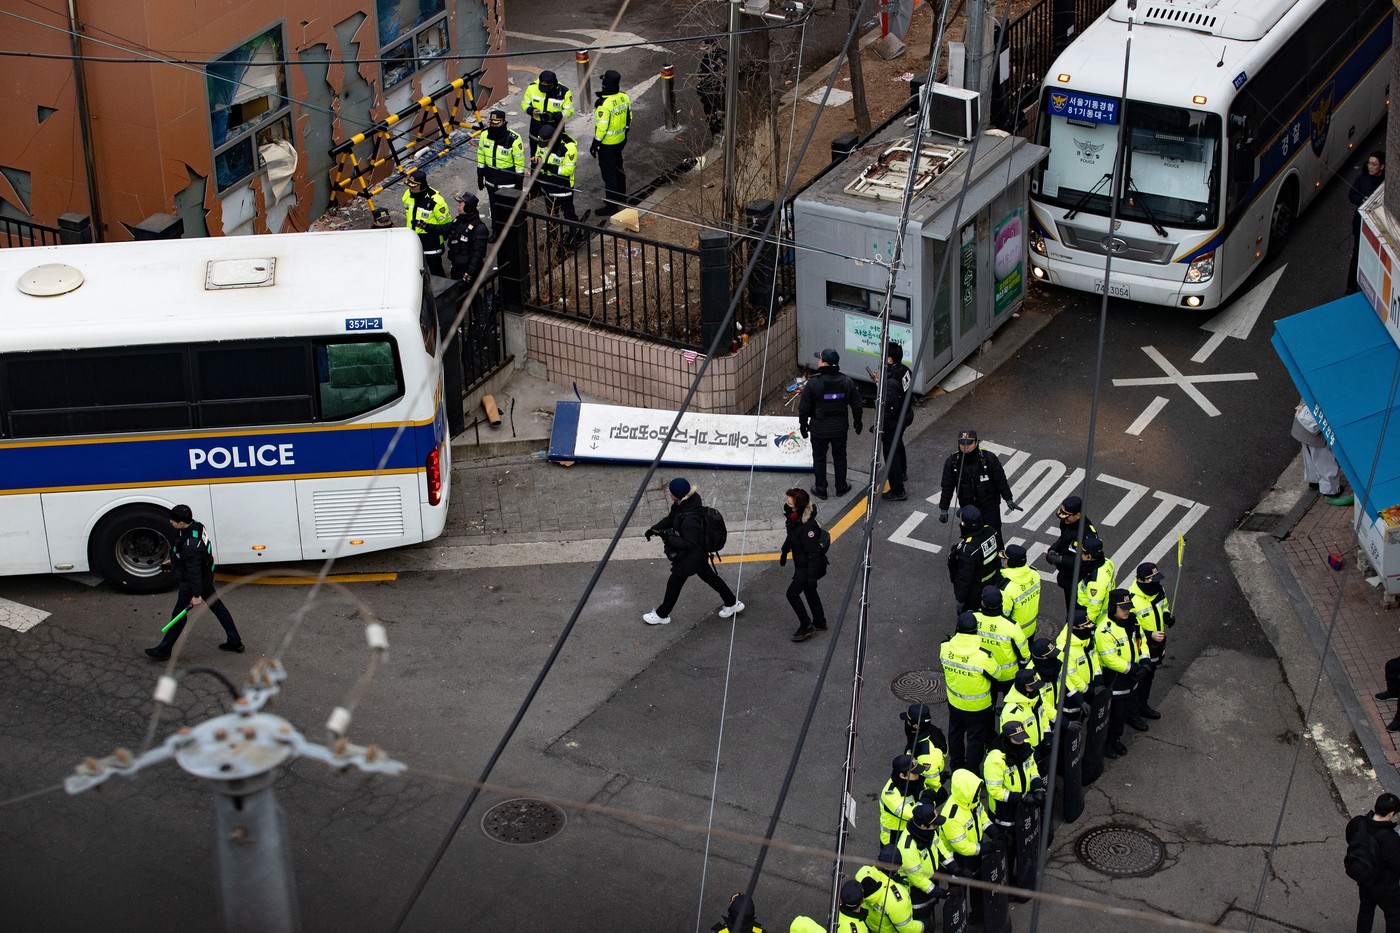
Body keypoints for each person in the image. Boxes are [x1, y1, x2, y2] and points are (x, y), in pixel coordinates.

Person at [146, 504, 243, 660]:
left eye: (174, 521)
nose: (171, 522)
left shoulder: (191, 546)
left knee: (178, 615)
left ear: (182, 523)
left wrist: (196, 594)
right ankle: (235, 641)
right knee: (219, 608)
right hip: (205, 577)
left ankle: (164, 650)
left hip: (192, 583)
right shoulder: (197, 526)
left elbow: (194, 571)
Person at [643, 478, 743, 625]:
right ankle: (732, 602)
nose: (669, 493)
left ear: (678, 494)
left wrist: (667, 536)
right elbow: (671, 519)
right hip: (698, 553)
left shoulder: (690, 517)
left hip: (692, 556)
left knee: (675, 582)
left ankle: (661, 614)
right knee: (709, 577)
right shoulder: (683, 504)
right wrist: (655, 528)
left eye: (671, 491)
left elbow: (689, 542)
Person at [797, 349, 863, 500]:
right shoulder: (847, 382)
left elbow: (804, 408)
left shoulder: (814, 383)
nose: (818, 361)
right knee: (840, 456)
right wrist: (857, 422)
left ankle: (821, 488)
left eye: (819, 359)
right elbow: (857, 405)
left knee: (819, 458)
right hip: (840, 429)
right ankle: (841, 487)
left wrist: (803, 425)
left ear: (824, 363)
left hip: (819, 429)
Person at [940, 611, 998, 772]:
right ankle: (972, 770)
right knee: (975, 739)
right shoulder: (983, 656)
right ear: (975, 630)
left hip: (955, 703)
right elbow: (997, 674)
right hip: (978, 707)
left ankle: (956, 766)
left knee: (955, 735)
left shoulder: (945, 648)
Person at [938, 430, 1018, 547]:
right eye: (962, 444)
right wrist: (943, 509)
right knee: (970, 539)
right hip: (968, 510)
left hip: (990, 507)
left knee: (995, 536)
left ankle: (998, 558)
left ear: (976, 442)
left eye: (969, 444)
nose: (965, 447)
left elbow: (1000, 480)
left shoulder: (989, 458)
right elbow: (947, 487)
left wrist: (1008, 498)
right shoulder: (952, 462)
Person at [1099, 589, 1149, 760]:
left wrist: (1145, 661)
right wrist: (1133, 669)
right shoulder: (1105, 630)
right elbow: (1110, 659)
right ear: (1113, 608)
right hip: (1116, 679)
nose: (1126, 611)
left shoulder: (1132, 622)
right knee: (1113, 714)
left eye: (1128, 607)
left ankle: (1116, 739)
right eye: (1123, 608)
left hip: (1131, 677)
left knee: (1123, 711)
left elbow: (1141, 641)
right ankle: (1107, 744)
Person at [779, 487, 828, 641]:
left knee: (792, 593)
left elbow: (813, 554)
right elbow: (791, 535)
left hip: (808, 566)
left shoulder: (808, 527)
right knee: (809, 591)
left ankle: (806, 625)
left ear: (798, 505)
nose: (787, 503)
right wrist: (785, 551)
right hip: (801, 563)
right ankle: (819, 621)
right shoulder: (793, 517)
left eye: (789, 501)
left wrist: (811, 576)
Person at [1346, 793, 1400, 932]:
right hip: (1385, 886)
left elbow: (1350, 839)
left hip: (1364, 878)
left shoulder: (1358, 823)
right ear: (1391, 813)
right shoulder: (1391, 839)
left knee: (1366, 910)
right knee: (1394, 915)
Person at [1127, 561, 1174, 721]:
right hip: (1141, 648)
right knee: (1137, 681)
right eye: (1152, 580)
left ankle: (1142, 705)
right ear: (1141, 580)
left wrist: (1167, 615)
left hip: (1157, 645)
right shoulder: (1131, 599)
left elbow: (1164, 606)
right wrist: (1149, 634)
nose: (1156, 583)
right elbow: (1129, 629)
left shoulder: (1158, 590)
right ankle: (1132, 714)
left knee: (1149, 678)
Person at [897, 804, 954, 924]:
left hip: (929, 880)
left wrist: (955, 868)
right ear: (923, 826)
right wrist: (941, 893)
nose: (936, 827)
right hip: (915, 892)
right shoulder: (908, 848)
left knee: (930, 909)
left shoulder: (929, 833)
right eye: (934, 825)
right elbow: (918, 880)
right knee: (921, 921)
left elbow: (940, 848)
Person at [973, 584, 1029, 703]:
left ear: (982, 603)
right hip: (1008, 676)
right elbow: (1024, 654)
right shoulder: (1011, 626)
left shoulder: (973, 619)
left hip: (984, 673)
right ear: (1002, 602)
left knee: (988, 706)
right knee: (1010, 704)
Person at [590, 69, 632, 214]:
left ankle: (611, 206)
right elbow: (629, 117)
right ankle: (621, 196)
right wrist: (624, 132)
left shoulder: (604, 104)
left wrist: (595, 143)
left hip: (608, 144)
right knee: (619, 168)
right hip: (620, 140)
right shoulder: (623, 97)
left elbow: (601, 128)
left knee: (609, 175)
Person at [1045, 496, 1097, 612]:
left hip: (1079, 579)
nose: (1064, 519)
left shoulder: (1087, 535)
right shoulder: (1067, 522)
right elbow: (1064, 538)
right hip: (1067, 575)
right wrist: (1053, 549)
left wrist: (1061, 559)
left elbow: (1086, 561)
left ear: (1078, 515)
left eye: (1067, 517)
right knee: (1070, 606)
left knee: (1076, 610)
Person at [477, 110, 525, 231]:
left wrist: (519, 181)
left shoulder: (513, 138)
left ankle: (511, 232)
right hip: (490, 179)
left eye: (497, 123)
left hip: (507, 181)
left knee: (509, 209)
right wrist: (480, 174)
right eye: (492, 123)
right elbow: (481, 155)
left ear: (504, 122)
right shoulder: (485, 135)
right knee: (494, 208)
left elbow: (519, 162)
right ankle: (496, 231)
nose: (494, 126)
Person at [878, 342, 913, 502]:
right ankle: (903, 472)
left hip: (894, 420)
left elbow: (890, 408)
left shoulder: (891, 382)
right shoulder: (905, 370)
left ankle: (898, 490)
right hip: (905, 415)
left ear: (890, 359)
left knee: (891, 453)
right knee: (898, 444)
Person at [949, 505, 1001, 612]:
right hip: (993, 583)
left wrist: (960, 601)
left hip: (975, 593)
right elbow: (999, 554)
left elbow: (964, 579)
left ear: (965, 525)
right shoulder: (991, 531)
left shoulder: (968, 549)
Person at [1000, 667, 1055, 768]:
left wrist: (1046, 733)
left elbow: (1042, 715)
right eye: (1031, 687)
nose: (1035, 689)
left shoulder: (1033, 698)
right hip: (1026, 755)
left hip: (1039, 745)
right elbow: (1014, 740)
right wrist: (1031, 752)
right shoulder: (1011, 712)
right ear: (1022, 687)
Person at [1348, 151, 1385, 293]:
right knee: (1357, 255)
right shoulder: (1362, 179)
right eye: (1369, 163)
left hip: (1377, 227)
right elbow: (1351, 195)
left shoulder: (1384, 182)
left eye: (1374, 164)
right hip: (1361, 225)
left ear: (1382, 166)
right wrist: (1361, 200)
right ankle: (1351, 286)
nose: (1370, 166)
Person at [401, 172, 452, 276]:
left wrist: (427, 227)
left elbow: (447, 227)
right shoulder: (407, 194)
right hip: (413, 239)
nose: (411, 189)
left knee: (436, 271)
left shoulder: (436, 201)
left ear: (422, 185)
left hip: (431, 243)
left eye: (413, 186)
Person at [1292, 401, 1344, 500]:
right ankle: (1330, 490)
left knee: (1310, 455)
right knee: (1324, 460)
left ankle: (1314, 480)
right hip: (1317, 427)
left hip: (1304, 419)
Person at [902, 703, 949, 804]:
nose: (906, 723)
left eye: (908, 722)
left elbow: (932, 783)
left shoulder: (926, 757)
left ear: (916, 726)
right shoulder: (930, 731)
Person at [855, 863, 921, 933]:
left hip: (870, 925)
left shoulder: (861, 878)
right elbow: (907, 929)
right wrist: (924, 925)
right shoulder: (894, 900)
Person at [522, 69, 574, 157]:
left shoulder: (564, 92)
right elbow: (524, 103)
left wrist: (554, 116)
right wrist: (531, 110)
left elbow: (569, 111)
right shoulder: (532, 88)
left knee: (554, 153)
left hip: (555, 125)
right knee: (535, 152)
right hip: (536, 125)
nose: (544, 89)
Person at [879, 754, 926, 848]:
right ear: (902, 775)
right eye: (914, 773)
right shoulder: (890, 794)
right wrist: (927, 800)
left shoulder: (911, 782)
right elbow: (912, 814)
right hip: (894, 837)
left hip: (909, 831)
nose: (918, 775)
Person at [535, 131, 582, 222]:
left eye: (546, 143)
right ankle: (553, 235)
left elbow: (568, 170)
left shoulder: (569, 148)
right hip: (547, 185)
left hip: (563, 187)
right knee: (552, 216)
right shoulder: (543, 142)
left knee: (568, 215)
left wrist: (548, 166)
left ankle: (576, 233)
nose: (544, 145)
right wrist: (537, 159)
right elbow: (539, 153)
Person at [446, 191, 490, 283]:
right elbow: (444, 229)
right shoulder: (459, 221)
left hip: (467, 269)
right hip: (456, 265)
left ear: (468, 208)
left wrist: (470, 271)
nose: (458, 208)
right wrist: (427, 226)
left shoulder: (479, 228)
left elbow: (479, 253)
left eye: (460, 205)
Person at [999, 544, 1041, 641]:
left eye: (1004, 558)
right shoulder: (1035, 575)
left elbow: (1003, 617)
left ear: (1009, 561)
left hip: (1014, 635)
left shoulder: (1007, 589)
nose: (1004, 560)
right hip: (1031, 628)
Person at [1076, 535, 1115, 626]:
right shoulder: (1107, 562)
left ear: (1089, 556)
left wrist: (1084, 625)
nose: (1081, 555)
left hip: (1094, 617)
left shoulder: (1096, 581)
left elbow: (1093, 609)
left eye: (1082, 553)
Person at [696, 37, 727, 139]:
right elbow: (703, 75)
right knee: (712, 122)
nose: (704, 49)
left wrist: (722, 108)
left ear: (714, 46)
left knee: (720, 124)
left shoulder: (722, 59)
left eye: (706, 47)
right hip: (708, 98)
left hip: (718, 98)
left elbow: (725, 84)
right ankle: (715, 138)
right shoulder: (706, 58)